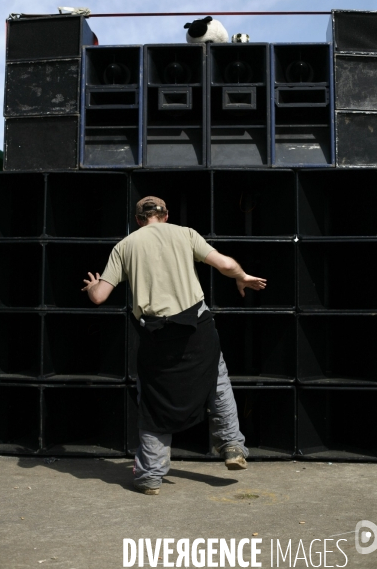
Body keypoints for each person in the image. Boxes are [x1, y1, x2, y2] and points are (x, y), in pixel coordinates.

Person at [82, 196, 266, 495]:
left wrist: (92, 287)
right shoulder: (186, 233)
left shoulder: (125, 246)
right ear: (165, 216)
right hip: (197, 328)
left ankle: (150, 477)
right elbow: (225, 264)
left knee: (155, 401)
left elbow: (100, 296)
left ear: (139, 219)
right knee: (216, 382)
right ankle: (232, 446)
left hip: (157, 336)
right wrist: (242, 277)